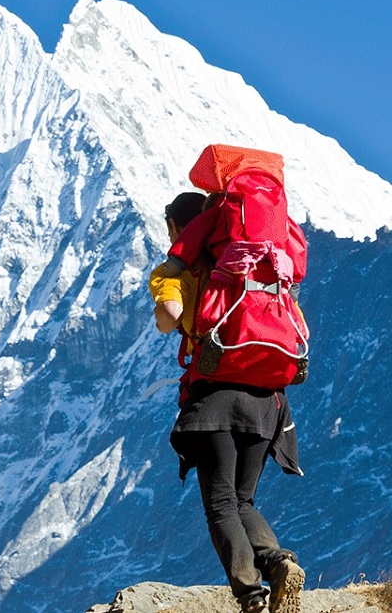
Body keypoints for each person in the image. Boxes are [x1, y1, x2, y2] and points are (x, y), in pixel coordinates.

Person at [148, 192, 306, 613]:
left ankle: (251, 597)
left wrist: (166, 291)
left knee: (220, 503)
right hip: (268, 402)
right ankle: (278, 562)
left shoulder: (184, 271)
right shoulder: (258, 270)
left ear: (177, 228)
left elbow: (169, 316)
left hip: (215, 397)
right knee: (243, 501)